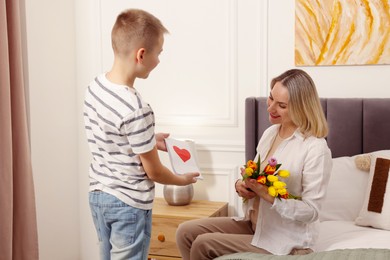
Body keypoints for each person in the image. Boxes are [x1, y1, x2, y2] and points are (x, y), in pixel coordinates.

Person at [176, 69, 332, 259]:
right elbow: (257, 178)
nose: (271, 108)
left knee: (203, 243)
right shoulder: (271, 133)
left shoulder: (315, 148)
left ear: (301, 108)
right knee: (185, 232)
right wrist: (243, 186)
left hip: (284, 239)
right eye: (271, 98)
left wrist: (269, 196)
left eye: (281, 105)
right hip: (255, 225)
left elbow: (312, 211)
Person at [83, 9, 199, 260]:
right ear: (141, 54)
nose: (158, 61)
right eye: (159, 53)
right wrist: (183, 180)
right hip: (128, 204)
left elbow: (112, 136)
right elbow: (154, 172)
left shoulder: (95, 88)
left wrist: (149, 140)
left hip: (98, 197)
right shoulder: (137, 108)